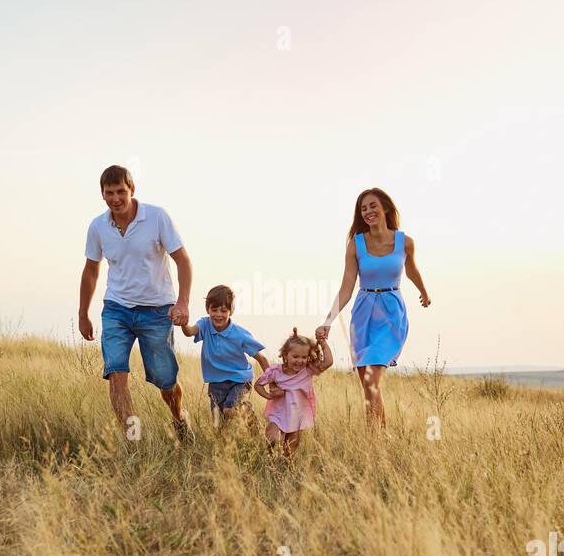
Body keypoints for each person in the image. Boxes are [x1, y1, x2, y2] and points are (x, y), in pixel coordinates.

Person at [78, 165, 194, 442]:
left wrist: (183, 303)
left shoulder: (156, 217)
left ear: (132, 190)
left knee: (165, 381)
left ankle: (179, 419)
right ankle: (134, 441)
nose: (116, 198)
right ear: (102, 195)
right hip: (117, 308)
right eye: (109, 193)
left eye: (121, 191)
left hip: (156, 310)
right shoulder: (98, 226)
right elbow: (91, 270)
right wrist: (83, 313)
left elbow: (183, 261)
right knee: (116, 372)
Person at [316, 188, 430, 429]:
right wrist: (328, 321)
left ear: (386, 208)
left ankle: (378, 439)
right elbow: (346, 287)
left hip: (391, 313)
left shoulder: (405, 242)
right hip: (363, 313)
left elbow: (411, 270)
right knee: (368, 387)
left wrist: (423, 291)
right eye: (363, 208)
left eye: (372, 206)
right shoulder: (355, 245)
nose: (368, 212)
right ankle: (377, 441)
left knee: (372, 380)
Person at [179, 284, 270, 429]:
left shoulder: (239, 334)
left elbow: (262, 359)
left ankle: (254, 427)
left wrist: (272, 383)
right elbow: (190, 332)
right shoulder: (204, 324)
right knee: (219, 425)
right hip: (216, 382)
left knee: (230, 409)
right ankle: (225, 448)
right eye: (214, 310)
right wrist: (184, 324)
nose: (218, 315)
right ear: (207, 309)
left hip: (240, 380)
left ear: (231, 311)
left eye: (224, 310)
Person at [254, 327, 333, 457]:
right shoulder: (275, 371)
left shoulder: (308, 370)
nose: (299, 361)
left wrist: (323, 343)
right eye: (295, 356)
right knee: (273, 438)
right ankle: (270, 459)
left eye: (304, 357)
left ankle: (286, 469)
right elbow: (258, 385)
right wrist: (269, 395)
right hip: (278, 414)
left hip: (299, 416)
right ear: (285, 355)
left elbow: (328, 362)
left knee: (290, 451)